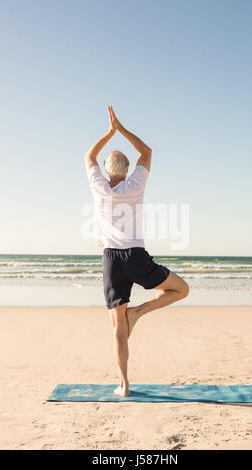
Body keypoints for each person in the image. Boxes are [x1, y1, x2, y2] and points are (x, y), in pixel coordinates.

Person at [85, 106, 189, 396]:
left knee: (118, 328)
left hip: (111, 261)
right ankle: (140, 312)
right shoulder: (136, 184)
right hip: (136, 257)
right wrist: (121, 128)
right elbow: (146, 151)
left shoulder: (99, 187)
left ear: (107, 170)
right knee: (181, 290)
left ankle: (124, 385)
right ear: (128, 170)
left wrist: (108, 133)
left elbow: (89, 156)